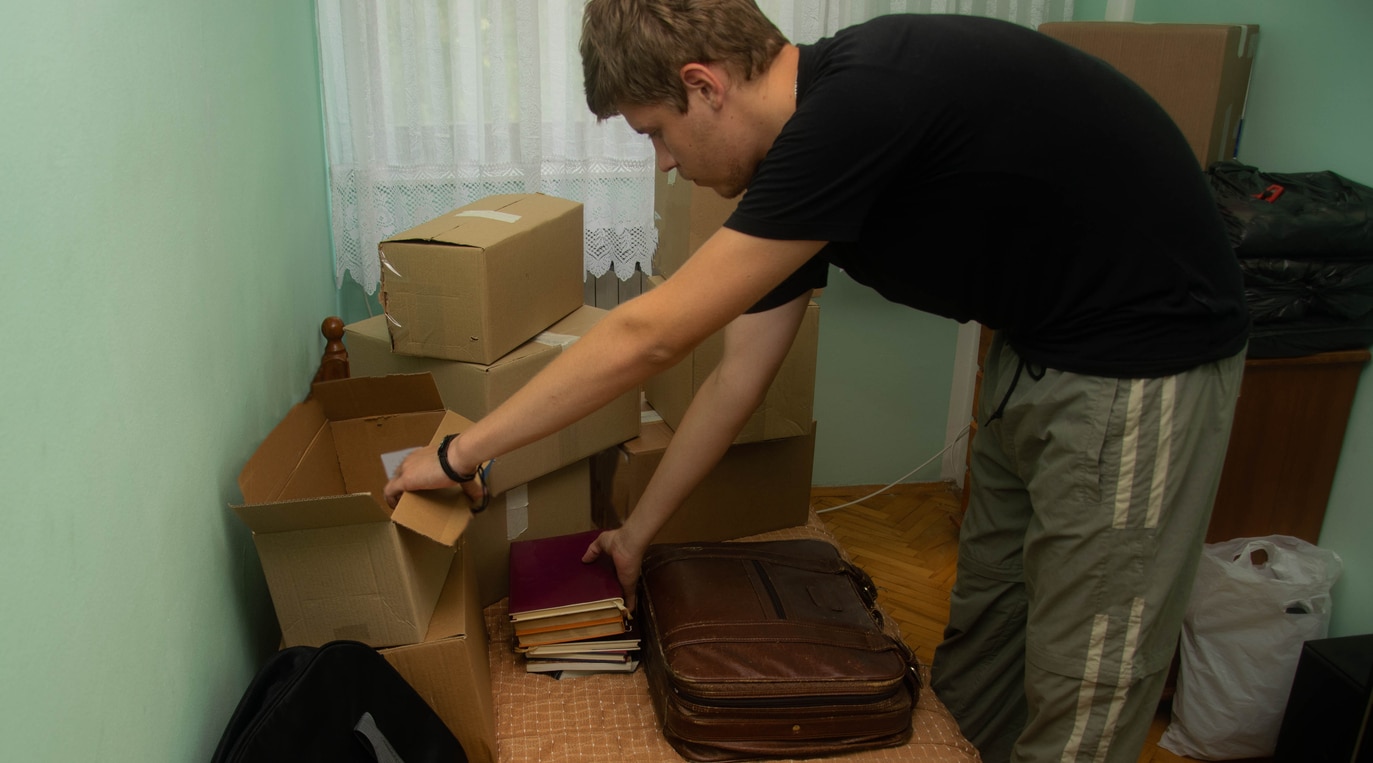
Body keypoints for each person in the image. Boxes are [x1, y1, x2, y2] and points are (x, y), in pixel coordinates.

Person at [384, 2, 1249, 760]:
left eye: (654, 131)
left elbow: (648, 339)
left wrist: (460, 455)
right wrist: (637, 533)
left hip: (1139, 357)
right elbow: (738, 377)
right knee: (991, 619)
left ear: (706, 84)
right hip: (1036, 342)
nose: (663, 164)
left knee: (1085, 667)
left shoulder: (855, 111)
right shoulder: (804, 155)